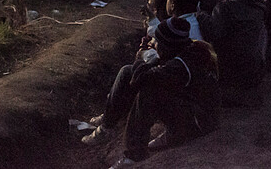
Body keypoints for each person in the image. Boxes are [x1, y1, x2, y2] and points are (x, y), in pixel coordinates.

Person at [87, 16, 220, 168]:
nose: (154, 44)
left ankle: (135, 154)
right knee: (127, 71)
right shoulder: (185, 50)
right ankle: (107, 126)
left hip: (198, 122)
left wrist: (142, 57)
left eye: (157, 41)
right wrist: (146, 61)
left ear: (167, 45)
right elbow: (154, 70)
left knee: (149, 92)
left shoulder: (182, 66)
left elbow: (145, 78)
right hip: (192, 110)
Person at [203, 0, 266, 106]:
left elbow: (214, 34)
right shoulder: (260, 9)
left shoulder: (224, 8)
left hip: (229, 74)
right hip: (255, 72)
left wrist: (201, 16)